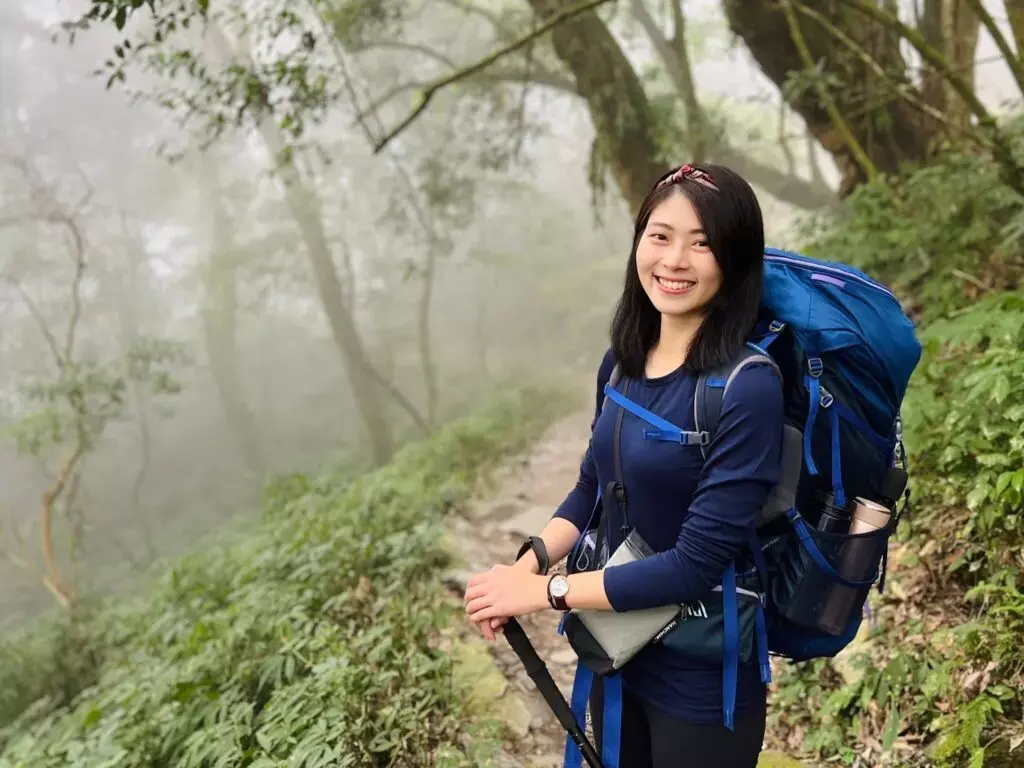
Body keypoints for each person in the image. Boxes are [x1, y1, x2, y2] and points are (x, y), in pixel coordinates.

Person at [463, 163, 784, 767]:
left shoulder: (747, 387)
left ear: (735, 260)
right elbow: (591, 487)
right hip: (615, 648)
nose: (675, 259)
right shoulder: (622, 363)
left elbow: (692, 566)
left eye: (703, 242)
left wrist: (543, 592)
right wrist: (521, 569)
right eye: (660, 236)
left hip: (700, 673)